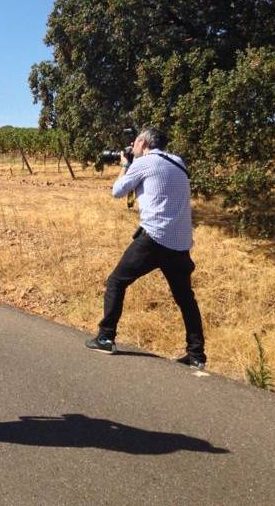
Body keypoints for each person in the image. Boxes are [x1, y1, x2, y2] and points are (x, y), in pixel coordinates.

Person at [86, 127, 206, 369]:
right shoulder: (178, 161)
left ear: (142, 142)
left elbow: (117, 191)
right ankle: (196, 355)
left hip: (154, 237)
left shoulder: (146, 162)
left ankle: (106, 337)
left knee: (116, 282)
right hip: (181, 241)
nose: (133, 147)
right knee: (185, 298)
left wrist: (125, 165)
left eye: (135, 143)